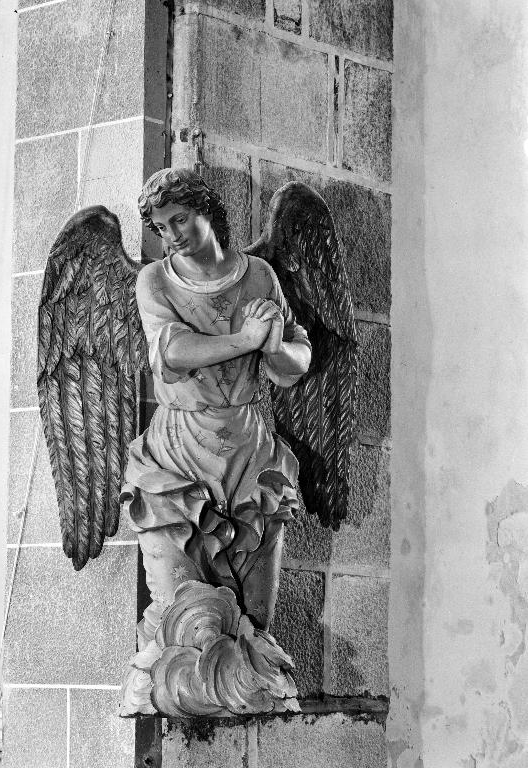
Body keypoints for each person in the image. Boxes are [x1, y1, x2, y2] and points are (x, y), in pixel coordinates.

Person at [120, 168, 311, 646]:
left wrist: (272, 348)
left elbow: (297, 358)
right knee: (185, 619)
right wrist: (245, 338)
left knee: (257, 620)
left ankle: (250, 697)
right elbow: (174, 351)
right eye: (161, 228)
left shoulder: (259, 275)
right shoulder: (156, 282)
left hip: (248, 451)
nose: (171, 236)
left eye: (179, 219)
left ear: (207, 210)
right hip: (180, 452)